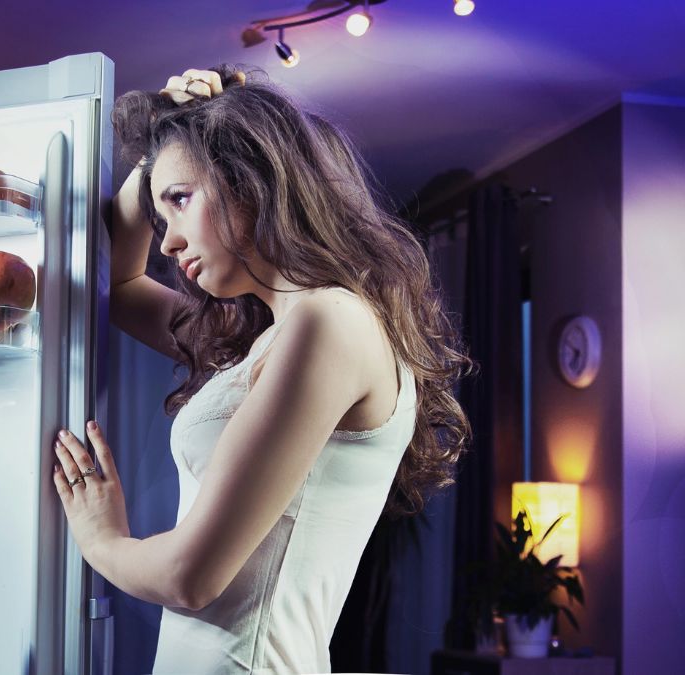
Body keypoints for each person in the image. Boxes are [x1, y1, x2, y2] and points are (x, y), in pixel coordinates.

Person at [51, 66, 471, 674]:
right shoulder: (269, 341)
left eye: (180, 201)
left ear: (250, 179)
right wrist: (163, 143)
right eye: (160, 216)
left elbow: (191, 577)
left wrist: (101, 540)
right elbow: (114, 284)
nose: (166, 243)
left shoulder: (330, 322)